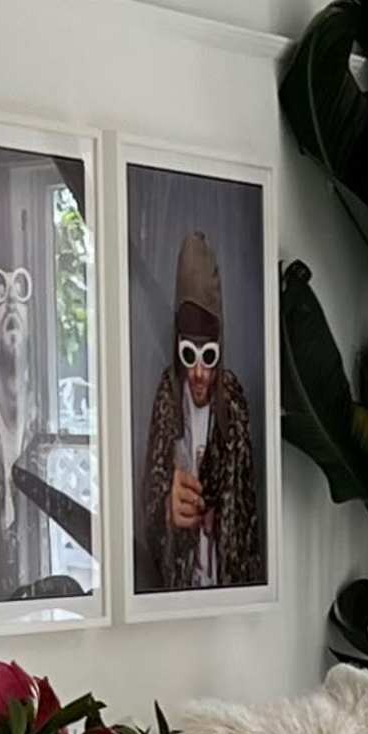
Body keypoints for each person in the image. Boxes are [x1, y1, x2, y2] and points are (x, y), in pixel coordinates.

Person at [137, 218, 263, 590]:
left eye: (208, 357)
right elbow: (151, 490)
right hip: (179, 586)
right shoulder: (166, 396)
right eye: (188, 355)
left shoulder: (234, 402)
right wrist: (167, 506)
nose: (198, 373)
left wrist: (217, 513)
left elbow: (246, 507)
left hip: (223, 585)